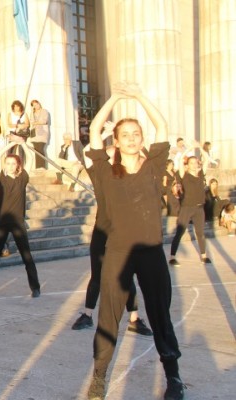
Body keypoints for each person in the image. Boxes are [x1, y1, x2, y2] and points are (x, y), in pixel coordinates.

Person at [85, 82, 184, 400]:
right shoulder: (103, 170)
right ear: (115, 141)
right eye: (124, 135)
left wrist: (140, 96)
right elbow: (94, 129)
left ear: (141, 140)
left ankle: (174, 378)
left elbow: (163, 126)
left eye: (135, 134)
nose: (131, 139)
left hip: (151, 252)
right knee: (108, 317)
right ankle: (99, 377)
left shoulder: (154, 167)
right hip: (117, 252)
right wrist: (114, 97)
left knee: (159, 314)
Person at [70, 137, 153, 336]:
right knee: (97, 276)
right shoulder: (100, 175)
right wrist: (108, 139)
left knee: (127, 276)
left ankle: (134, 318)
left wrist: (127, 146)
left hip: (124, 232)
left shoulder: (131, 178)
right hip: (102, 232)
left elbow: (147, 160)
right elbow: (87, 154)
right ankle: (87, 314)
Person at [0, 154, 41, 297]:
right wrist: (12, 143)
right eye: (8, 163)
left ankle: (35, 288)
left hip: (18, 223)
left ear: (18, 165)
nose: (10, 166)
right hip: (1, 222)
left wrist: (23, 144)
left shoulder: (22, 179)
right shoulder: (2, 179)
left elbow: (31, 160)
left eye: (14, 163)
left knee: (27, 256)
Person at [169, 155, 211, 266]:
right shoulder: (184, 175)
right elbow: (179, 160)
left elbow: (206, 159)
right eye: (191, 163)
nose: (193, 165)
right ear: (187, 165)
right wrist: (188, 149)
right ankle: (172, 257)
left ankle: (203, 255)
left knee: (200, 233)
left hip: (199, 208)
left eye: (195, 162)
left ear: (198, 163)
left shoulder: (201, 174)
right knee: (180, 232)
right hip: (187, 208)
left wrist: (199, 148)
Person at [29, 100, 50, 170]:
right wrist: (32, 111)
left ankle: (42, 167)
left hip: (42, 133)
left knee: (41, 149)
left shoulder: (44, 111)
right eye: (34, 105)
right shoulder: (33, 113)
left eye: (36, 104)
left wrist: (36, 123)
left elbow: (44, 121)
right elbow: (31, 121)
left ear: (39, 103)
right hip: (35, 134)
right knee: (36, 151)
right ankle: (37, 167)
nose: (36, 106)